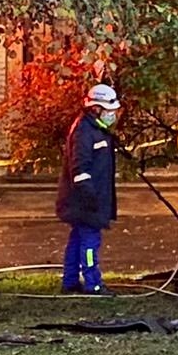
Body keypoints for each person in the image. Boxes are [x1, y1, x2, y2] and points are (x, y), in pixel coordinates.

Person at [56, 84, 121, 295]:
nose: (113, 115)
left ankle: (70, 281)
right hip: (84, 201)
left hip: (86, 199)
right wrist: (91, 198)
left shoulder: (95, 130)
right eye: (109, 111)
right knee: (90, 242)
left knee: (77, 239)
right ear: (96, 109)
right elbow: (80, 168)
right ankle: (93, 283)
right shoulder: (84, 131)